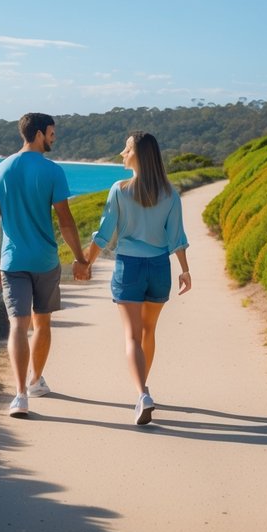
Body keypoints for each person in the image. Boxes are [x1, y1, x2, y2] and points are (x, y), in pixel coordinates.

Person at [0, 112, 90, 418]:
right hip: (44, 260)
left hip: (11, 261)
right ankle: (35, 382)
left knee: (18, 324)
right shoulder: (52, 171)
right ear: (40, 133)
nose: (54, 138)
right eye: (52, 133)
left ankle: (19, 396)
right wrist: (81, 258)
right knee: (42, 323)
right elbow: (66, 222)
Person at [82, 131, 192, 425]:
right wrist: (185, 270)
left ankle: (142, 393)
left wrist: (86, 262)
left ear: (138, 154)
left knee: (131, 335)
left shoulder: (119, 189)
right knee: (148, 332)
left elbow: (105, 234)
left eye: (126, 148)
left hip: (129, 266)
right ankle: (142, 390)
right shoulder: (170, 194)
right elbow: (177, 237)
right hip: (158, 267)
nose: (122, 153)